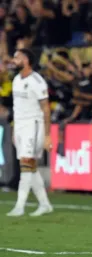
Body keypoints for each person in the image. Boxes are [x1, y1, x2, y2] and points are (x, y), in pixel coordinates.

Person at [7, 48, 53, 217]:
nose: (13, 60)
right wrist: (14, 130)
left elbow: (46, 109)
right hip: (20, 127)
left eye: (17, 57)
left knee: (26, 164)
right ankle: (45, 204)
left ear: (26, 60)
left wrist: (47, 135)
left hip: (34, 125)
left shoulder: (37, 81)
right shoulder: (16, 80)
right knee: (31, 167)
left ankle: (20, 206)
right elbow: (16, 108)